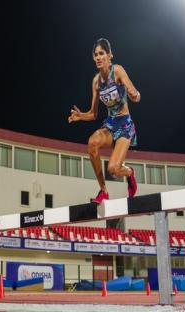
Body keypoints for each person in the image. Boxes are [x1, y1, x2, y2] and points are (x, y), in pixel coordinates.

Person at [68, 38, 140, 203]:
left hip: (125, 125)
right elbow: (93, 114)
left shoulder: (118, 71)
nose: (98, 57)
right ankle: (103, 191)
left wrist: (134, 94)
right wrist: (80, 116)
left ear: (109, 55)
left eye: (102, 53)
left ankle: (129, 172)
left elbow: (136, 96)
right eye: (96, 55)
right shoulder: (96, 82)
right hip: (110, 124)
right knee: (92, 142)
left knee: (113, 169)